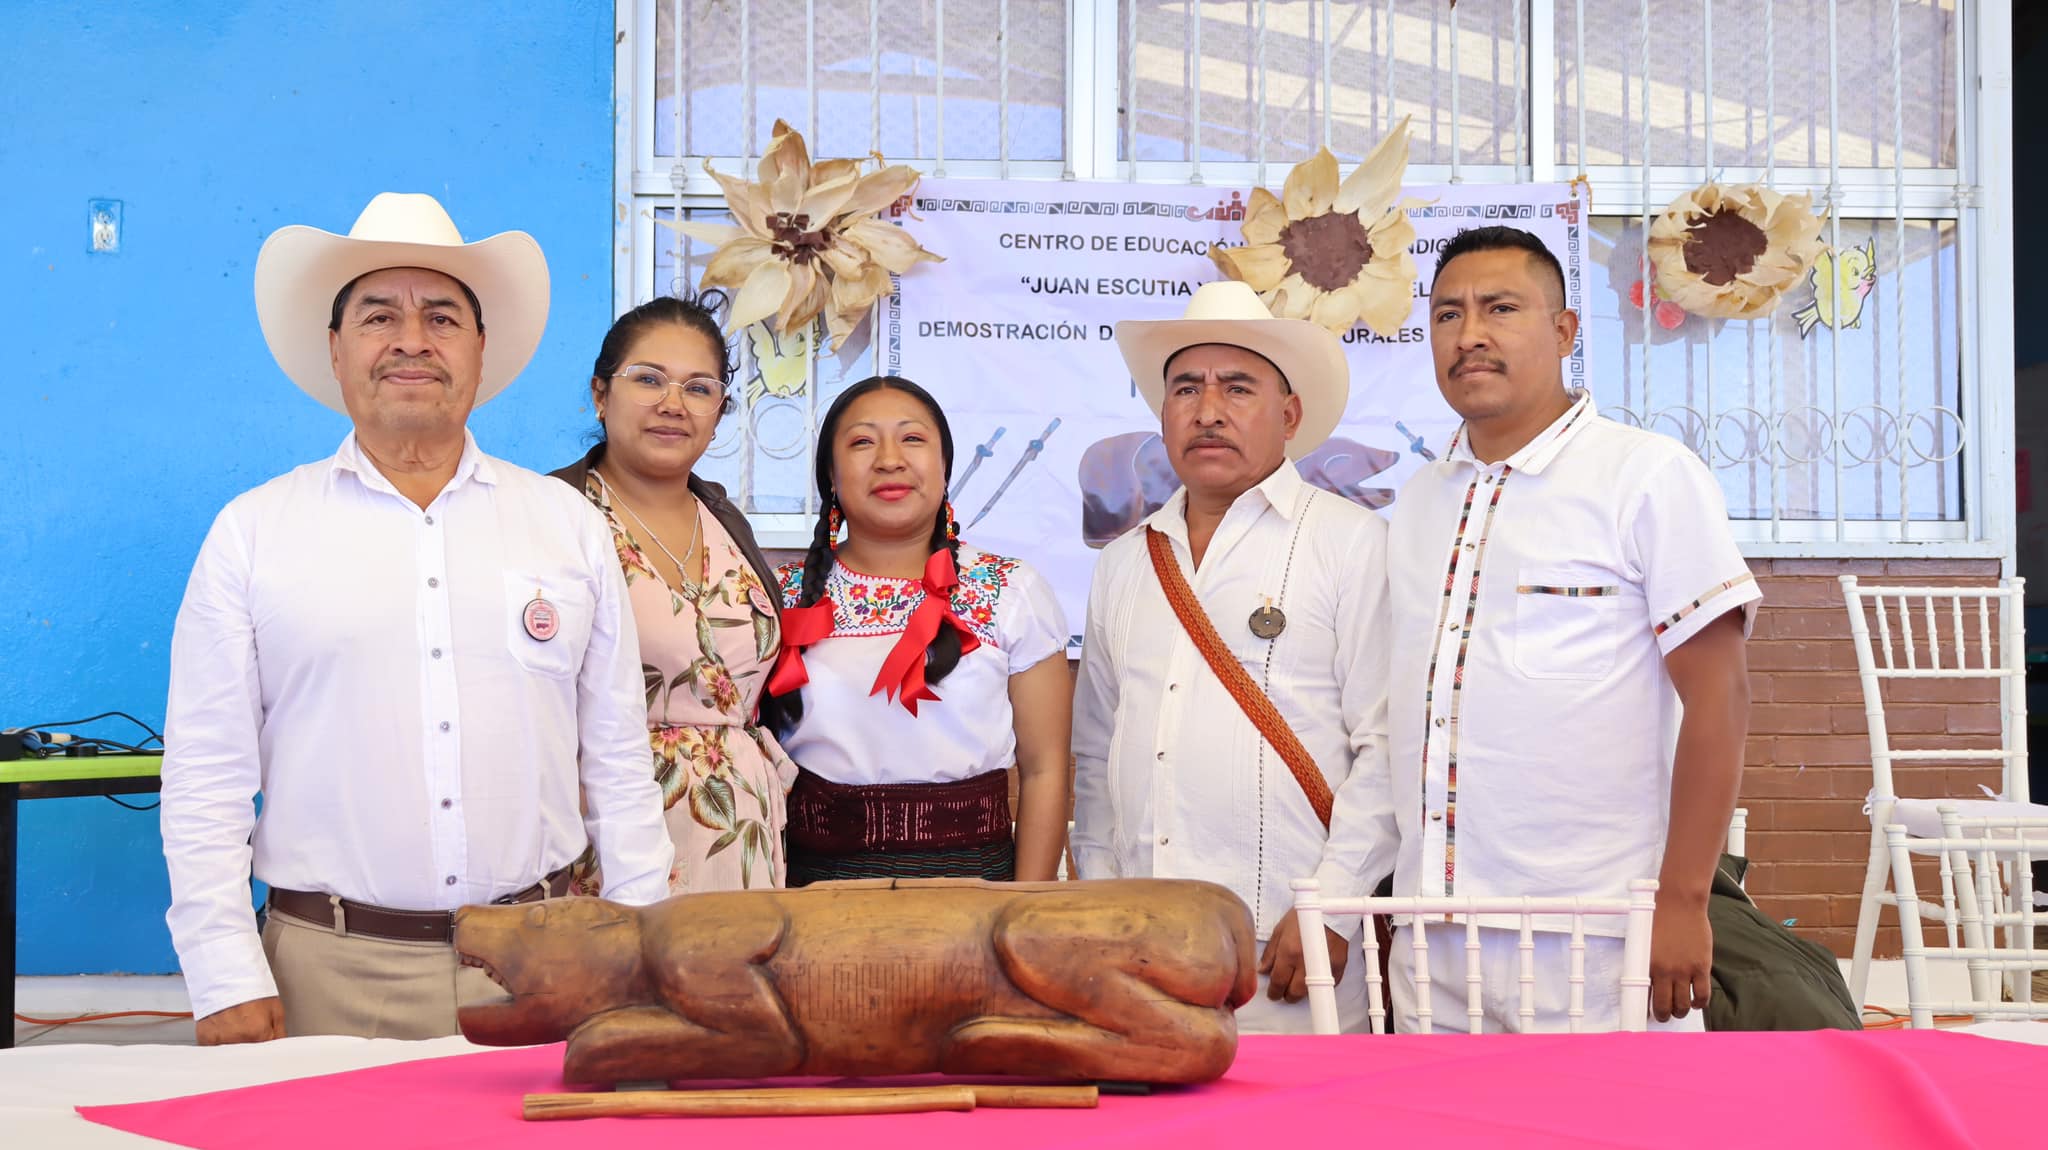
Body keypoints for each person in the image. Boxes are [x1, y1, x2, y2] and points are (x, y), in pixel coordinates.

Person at [161, 193, 674, 1044]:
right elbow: (207, 779)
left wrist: (646, 948)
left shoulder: (567, 525)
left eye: (441, 315)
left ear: (479, 350)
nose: (411, 339)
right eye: (377, 316)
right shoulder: (253, 533)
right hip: (324, 972)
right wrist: (222, 976)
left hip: (541, 965)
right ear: (335, 349)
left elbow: (618, 762)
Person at [1386, 226, 1756, 1032]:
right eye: (1447, 314)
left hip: (1599, 941)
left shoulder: (1646, 476)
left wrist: (1685, 900)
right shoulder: (1417, 501)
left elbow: (1719, 700)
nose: (1470, 334)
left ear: (1563, 331)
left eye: (1500, 308)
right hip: (1434, 939)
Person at [1072, 281, 1397, 1034]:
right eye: (1186, 387)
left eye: (1237, 387)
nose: (1208, 410)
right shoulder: (1124, 562)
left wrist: (1335, 907)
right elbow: (1095, 755)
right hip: (1141, 944)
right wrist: (1099, 904)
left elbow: (1386, 744)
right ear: (1162, 413)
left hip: (1292, 947)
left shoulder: (1352, 543)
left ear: (1289, 415)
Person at [757, 376, 1071, 884]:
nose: (889, 460)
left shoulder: (1013, 591)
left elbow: (1045, 770)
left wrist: (1027, 913)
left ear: (944, 466)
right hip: (813, 893)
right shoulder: (778, 595)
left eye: (912, 439)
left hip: (976, 890)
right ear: (830, 477)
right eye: (862, 442)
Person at [549, 293, 794, 892]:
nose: (672, 404)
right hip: (606, 842)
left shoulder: (724, 518)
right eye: (648, 379)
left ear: (720, 410)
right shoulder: (552, 516)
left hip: (739, 844)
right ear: (601, 395)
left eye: (698, 387)